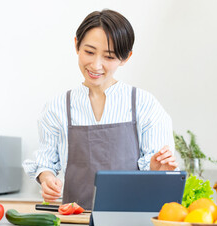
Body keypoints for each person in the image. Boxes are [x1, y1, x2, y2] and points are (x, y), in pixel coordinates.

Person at [23, 9, 178, 210]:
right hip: (75, 221)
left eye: (109, 56)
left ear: (126, 57)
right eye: (89, 52)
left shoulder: (144, 104)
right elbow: (46, 161)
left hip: (130, 221)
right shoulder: (57, 107)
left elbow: (158, 171)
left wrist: (157, 170)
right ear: (76, 45)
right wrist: (47, 179)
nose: (96, 65)